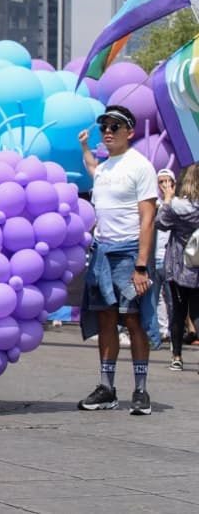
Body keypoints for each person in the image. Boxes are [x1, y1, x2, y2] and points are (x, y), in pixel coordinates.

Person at [76, 105, 157, 415]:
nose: (108, 131)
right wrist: (85, 147)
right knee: (106, 318)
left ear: (130, 132)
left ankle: (140, 390)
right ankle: (107, 388)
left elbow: (147, 219)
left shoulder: (141, 166)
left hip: (129, 252)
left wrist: (141, 265)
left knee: (134, 319)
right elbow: (92, 167)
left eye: (115, 126)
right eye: (104, 127)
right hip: (101, 252)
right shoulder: (106, 168)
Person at [156, 164, 199, 373]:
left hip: (178, 265)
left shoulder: (177, 207)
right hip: (198, 265)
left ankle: (177, 356)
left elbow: (161, 223)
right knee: (198, 312)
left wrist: (167, 200)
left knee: (178, 313)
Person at [154, 169, 175, 344]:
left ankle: (174, 332)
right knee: (154, 298)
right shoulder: (154, 204)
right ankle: (161, 331)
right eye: (161, 182)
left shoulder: (179, 204)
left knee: (172, 298)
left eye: (168, 182)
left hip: (172, 259)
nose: (164, 185)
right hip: (154, 257)